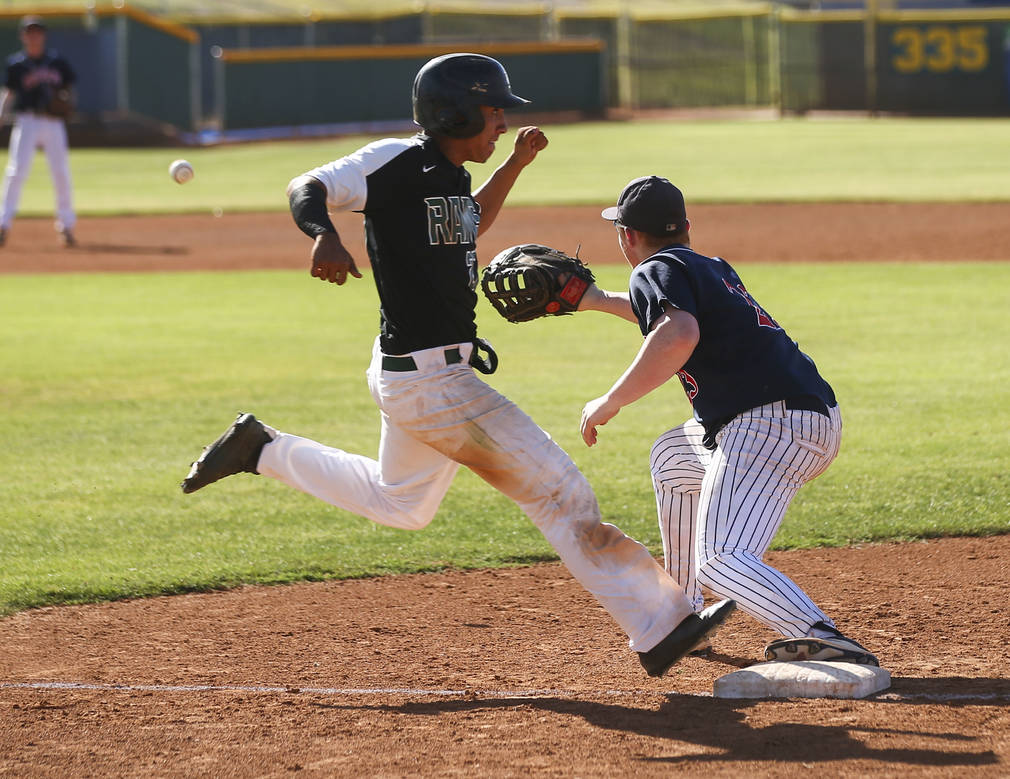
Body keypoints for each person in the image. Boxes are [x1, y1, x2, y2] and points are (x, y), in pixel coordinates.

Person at [181, 54, 735, 677]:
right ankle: (660, 623)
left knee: (402, 504)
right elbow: (305, 187)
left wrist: (514, 166)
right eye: (494, 109)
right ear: (456, 110)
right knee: (559, 491)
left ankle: (260, 449)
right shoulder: (395, 162)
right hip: (432, 382)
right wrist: (323, 234)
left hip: (416, 377)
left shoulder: (448, 176)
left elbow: (468, 223)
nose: (501, 121)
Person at [578, 175, 879, 666]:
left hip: (767, 426)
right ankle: (682, 616)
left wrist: (611, 401)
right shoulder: (708, 267)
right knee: (673, 458)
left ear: (627, 236)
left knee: (720, 560)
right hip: (800, 417)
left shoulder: (652, 269)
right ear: (686, 227)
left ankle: (820, 634)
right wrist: (591, 299)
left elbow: (677, 333)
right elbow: (667, 314)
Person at [0, 15, 77, 249]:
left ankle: (66, 226)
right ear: (23, 36)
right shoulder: (16, 64)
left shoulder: (58, 62)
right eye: (29, 32)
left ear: (43, 35)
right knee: (15, 172)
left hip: (53, 123)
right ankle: (2, 226)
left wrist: (69, 105)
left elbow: (70, 91)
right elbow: (7, 93)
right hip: (27, 121)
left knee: (61, 174)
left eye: (37, 31)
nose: (33, 36)